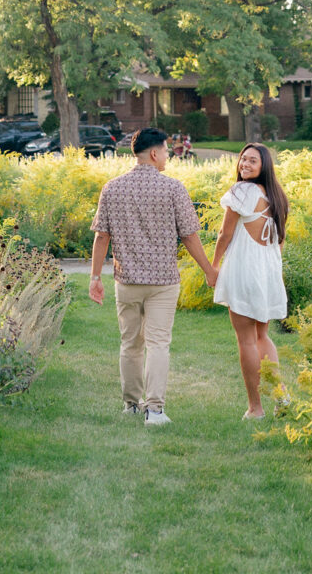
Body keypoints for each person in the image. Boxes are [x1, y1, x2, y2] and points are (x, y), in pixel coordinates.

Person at [89, 127, 217, 426]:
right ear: (155, 153)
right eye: (166, 151)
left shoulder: (112, 188)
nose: (168, 157)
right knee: (158, 344)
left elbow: (101, 237)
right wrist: (209, 270)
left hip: (127, 281)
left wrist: (95, 277)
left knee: (130, 344)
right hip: (163, 283)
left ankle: (131, 406)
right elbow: (189, 236)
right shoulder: (173, 189)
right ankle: (155, 411)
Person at [212, 143, 289, 419]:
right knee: (261, 336)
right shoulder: (277, 196)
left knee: (246, 340)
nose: (244, 164)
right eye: (243, 159)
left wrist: (214, 266)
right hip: (267, 273)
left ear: (263, 166)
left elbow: (225, 234)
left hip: (244, 271)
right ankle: (281, 396)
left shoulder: (242, 191)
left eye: (252, 160)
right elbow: (278, 243)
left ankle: (255, 408)